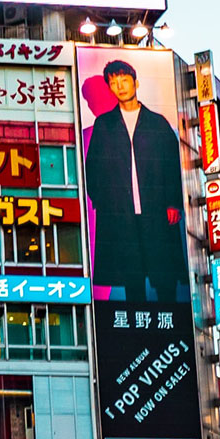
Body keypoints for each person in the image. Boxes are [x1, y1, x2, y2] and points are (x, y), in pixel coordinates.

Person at [80, 58, 185, 306]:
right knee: (131, 275)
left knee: (163, 272)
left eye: (124, 80)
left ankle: (168, 319)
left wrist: (173, 202)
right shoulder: (104, 124)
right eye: (114, 82)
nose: (120, 86)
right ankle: (136, 322)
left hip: (157, 210)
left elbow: (171, 165)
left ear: (135, 82)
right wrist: (103, 202)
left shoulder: (157, 123)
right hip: (119, 213)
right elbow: (92, 169)